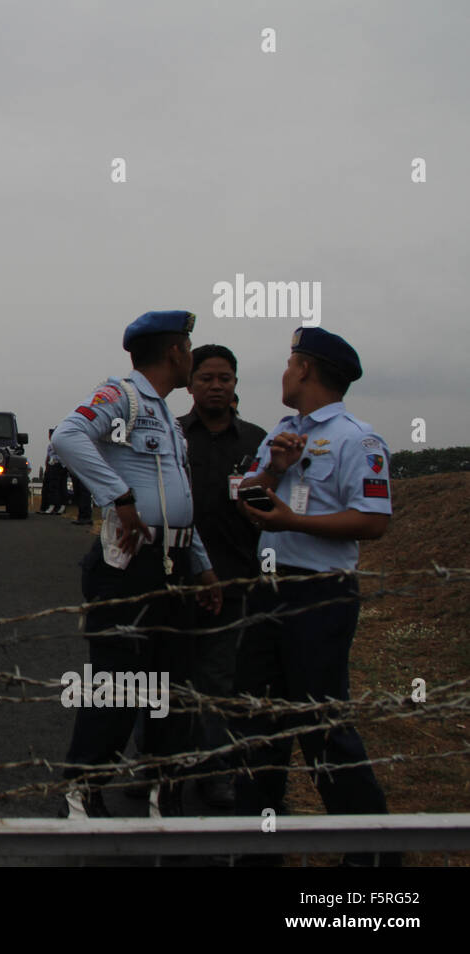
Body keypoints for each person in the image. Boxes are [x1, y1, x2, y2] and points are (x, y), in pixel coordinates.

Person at [233, 328, 395, 863]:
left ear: (304, 369)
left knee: (322, 726)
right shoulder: (281, 433)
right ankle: (256, 846)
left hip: (319, 596)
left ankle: (370, 856)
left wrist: (294, 519)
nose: (283, 373)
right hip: (267, 592)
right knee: (259, 722)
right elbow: (250, 500)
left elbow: (373, 521)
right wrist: (275, 471)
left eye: (288, 363)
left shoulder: (357, 439)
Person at [51, 310, 221, 820]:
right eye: (189, 348)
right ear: (175, 352)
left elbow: (178, 498)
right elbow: (67, 437)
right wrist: (118, 496)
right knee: (119, 685)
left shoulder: (168, 415)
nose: (192, 357)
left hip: (175, 562)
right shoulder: (123, 396)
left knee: (169, 685)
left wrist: (204, 565)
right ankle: (84, 788)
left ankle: (162, 794)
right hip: (128, 565)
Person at [177, 344, 267, 809]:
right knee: (163, 674)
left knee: (217, 680)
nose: (216, 386)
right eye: (206, 378)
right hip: (175, 578)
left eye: (225, 379)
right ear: (190, 384)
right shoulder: (170, 436)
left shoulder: (256, 442)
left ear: (235, 385)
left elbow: (271, 508)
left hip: (234, 578)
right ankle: (159, 767)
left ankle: (213, 771)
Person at [41, 430, 67, 514]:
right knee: (54, 487)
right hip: (55, 465)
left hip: (58, 465)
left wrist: (55, 461)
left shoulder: (57, 444)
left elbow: (56, 455)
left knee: (55, 487)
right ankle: (55, 506)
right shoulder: (52, 444)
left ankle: (55, 506)